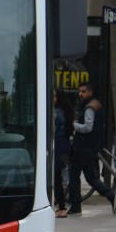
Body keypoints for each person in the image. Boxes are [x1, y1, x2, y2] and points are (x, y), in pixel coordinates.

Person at [67, 82, 116, 216]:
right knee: (91, 178)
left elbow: (87, 127)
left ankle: (75, 206)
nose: (81, 94)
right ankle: (111, 195)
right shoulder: (96, 105)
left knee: (73, 176)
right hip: (91, 147)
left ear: (91, 92)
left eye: (84, 91)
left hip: (83, 147)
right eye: (79, 91)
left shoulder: (90, 107)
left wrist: (73, 125)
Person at [53, 88, 74, 217]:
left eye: (54, 97)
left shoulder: (56, 113)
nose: (52, 99)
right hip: (64, 145)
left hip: (58, 145)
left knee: (56, 178)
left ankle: (61, 207)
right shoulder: (65, 112)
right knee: (57, 177)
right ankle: (61, 206)